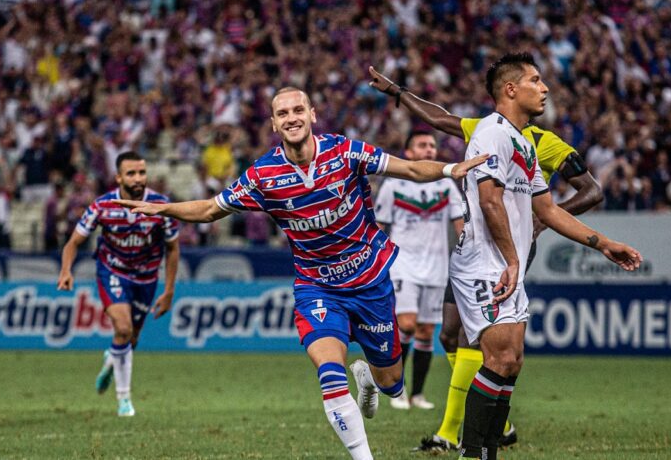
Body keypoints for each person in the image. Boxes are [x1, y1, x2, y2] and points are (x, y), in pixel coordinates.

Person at [114, 87, 487, 460]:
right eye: (282, 113)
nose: (291, 117)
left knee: (392, 384)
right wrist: (163, 209)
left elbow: (409, 168)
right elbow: (211, 209)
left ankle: (369, 379)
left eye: (297, 110)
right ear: (274, 124)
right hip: (317, 287)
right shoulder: (263, 175)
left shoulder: (345, 152)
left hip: (370, 282)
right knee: (329, 372)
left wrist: (450, 169)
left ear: (312, 115)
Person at [381, 54, 640, 459]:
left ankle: (487, 450)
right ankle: (470, 451)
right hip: (485, 263)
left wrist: (602, 243)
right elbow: (489, 200)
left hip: (505, 264)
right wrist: (513, 260)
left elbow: (548, 210)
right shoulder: (490, 133)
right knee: (497, 357)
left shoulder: (526, 143)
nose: (545, 88)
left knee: (511, 361)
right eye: (536, 80)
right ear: (511, 89)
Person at [57, 151, 180, 417]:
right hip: (112, 271)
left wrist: (169, 291)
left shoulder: (161, 206)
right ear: (119, 178)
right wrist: (66, 270)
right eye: (131, 173)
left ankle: (112, 359)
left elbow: (173, 249)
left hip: (147, 278)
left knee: (130, 339)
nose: (138, 178)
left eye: (142, 173)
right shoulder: (102, 206)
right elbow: (73, 242)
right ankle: (124, 401)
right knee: (123, 328)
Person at [374, 131, 464, 411]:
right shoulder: (393, 185)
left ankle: (417, 395)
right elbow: (379, 227)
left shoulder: (446, 186)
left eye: (432, 145)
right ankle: (397, 390)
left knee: (426, 331)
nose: (429, 150)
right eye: (422, 145)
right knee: (407, 324)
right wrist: (375, 263)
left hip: (437, 267)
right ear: (409, 153)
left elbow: (460, 225)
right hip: (403, 265)